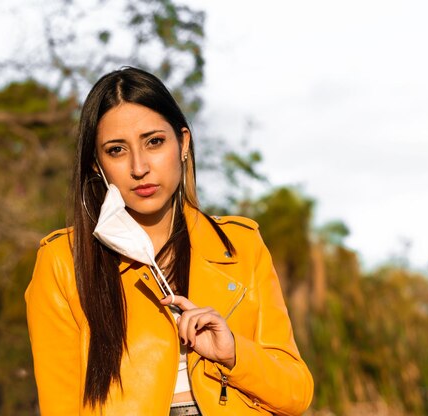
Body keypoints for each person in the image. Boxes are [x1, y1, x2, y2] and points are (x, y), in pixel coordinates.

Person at [25, 67, 313, 415]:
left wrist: (233, 352)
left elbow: (295, 393)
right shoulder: (63, 262)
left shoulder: (241, 246)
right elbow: (62, 406)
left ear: (183, 144)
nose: (139, 166)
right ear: (96, 166)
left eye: (154, 141)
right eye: (117, 150)